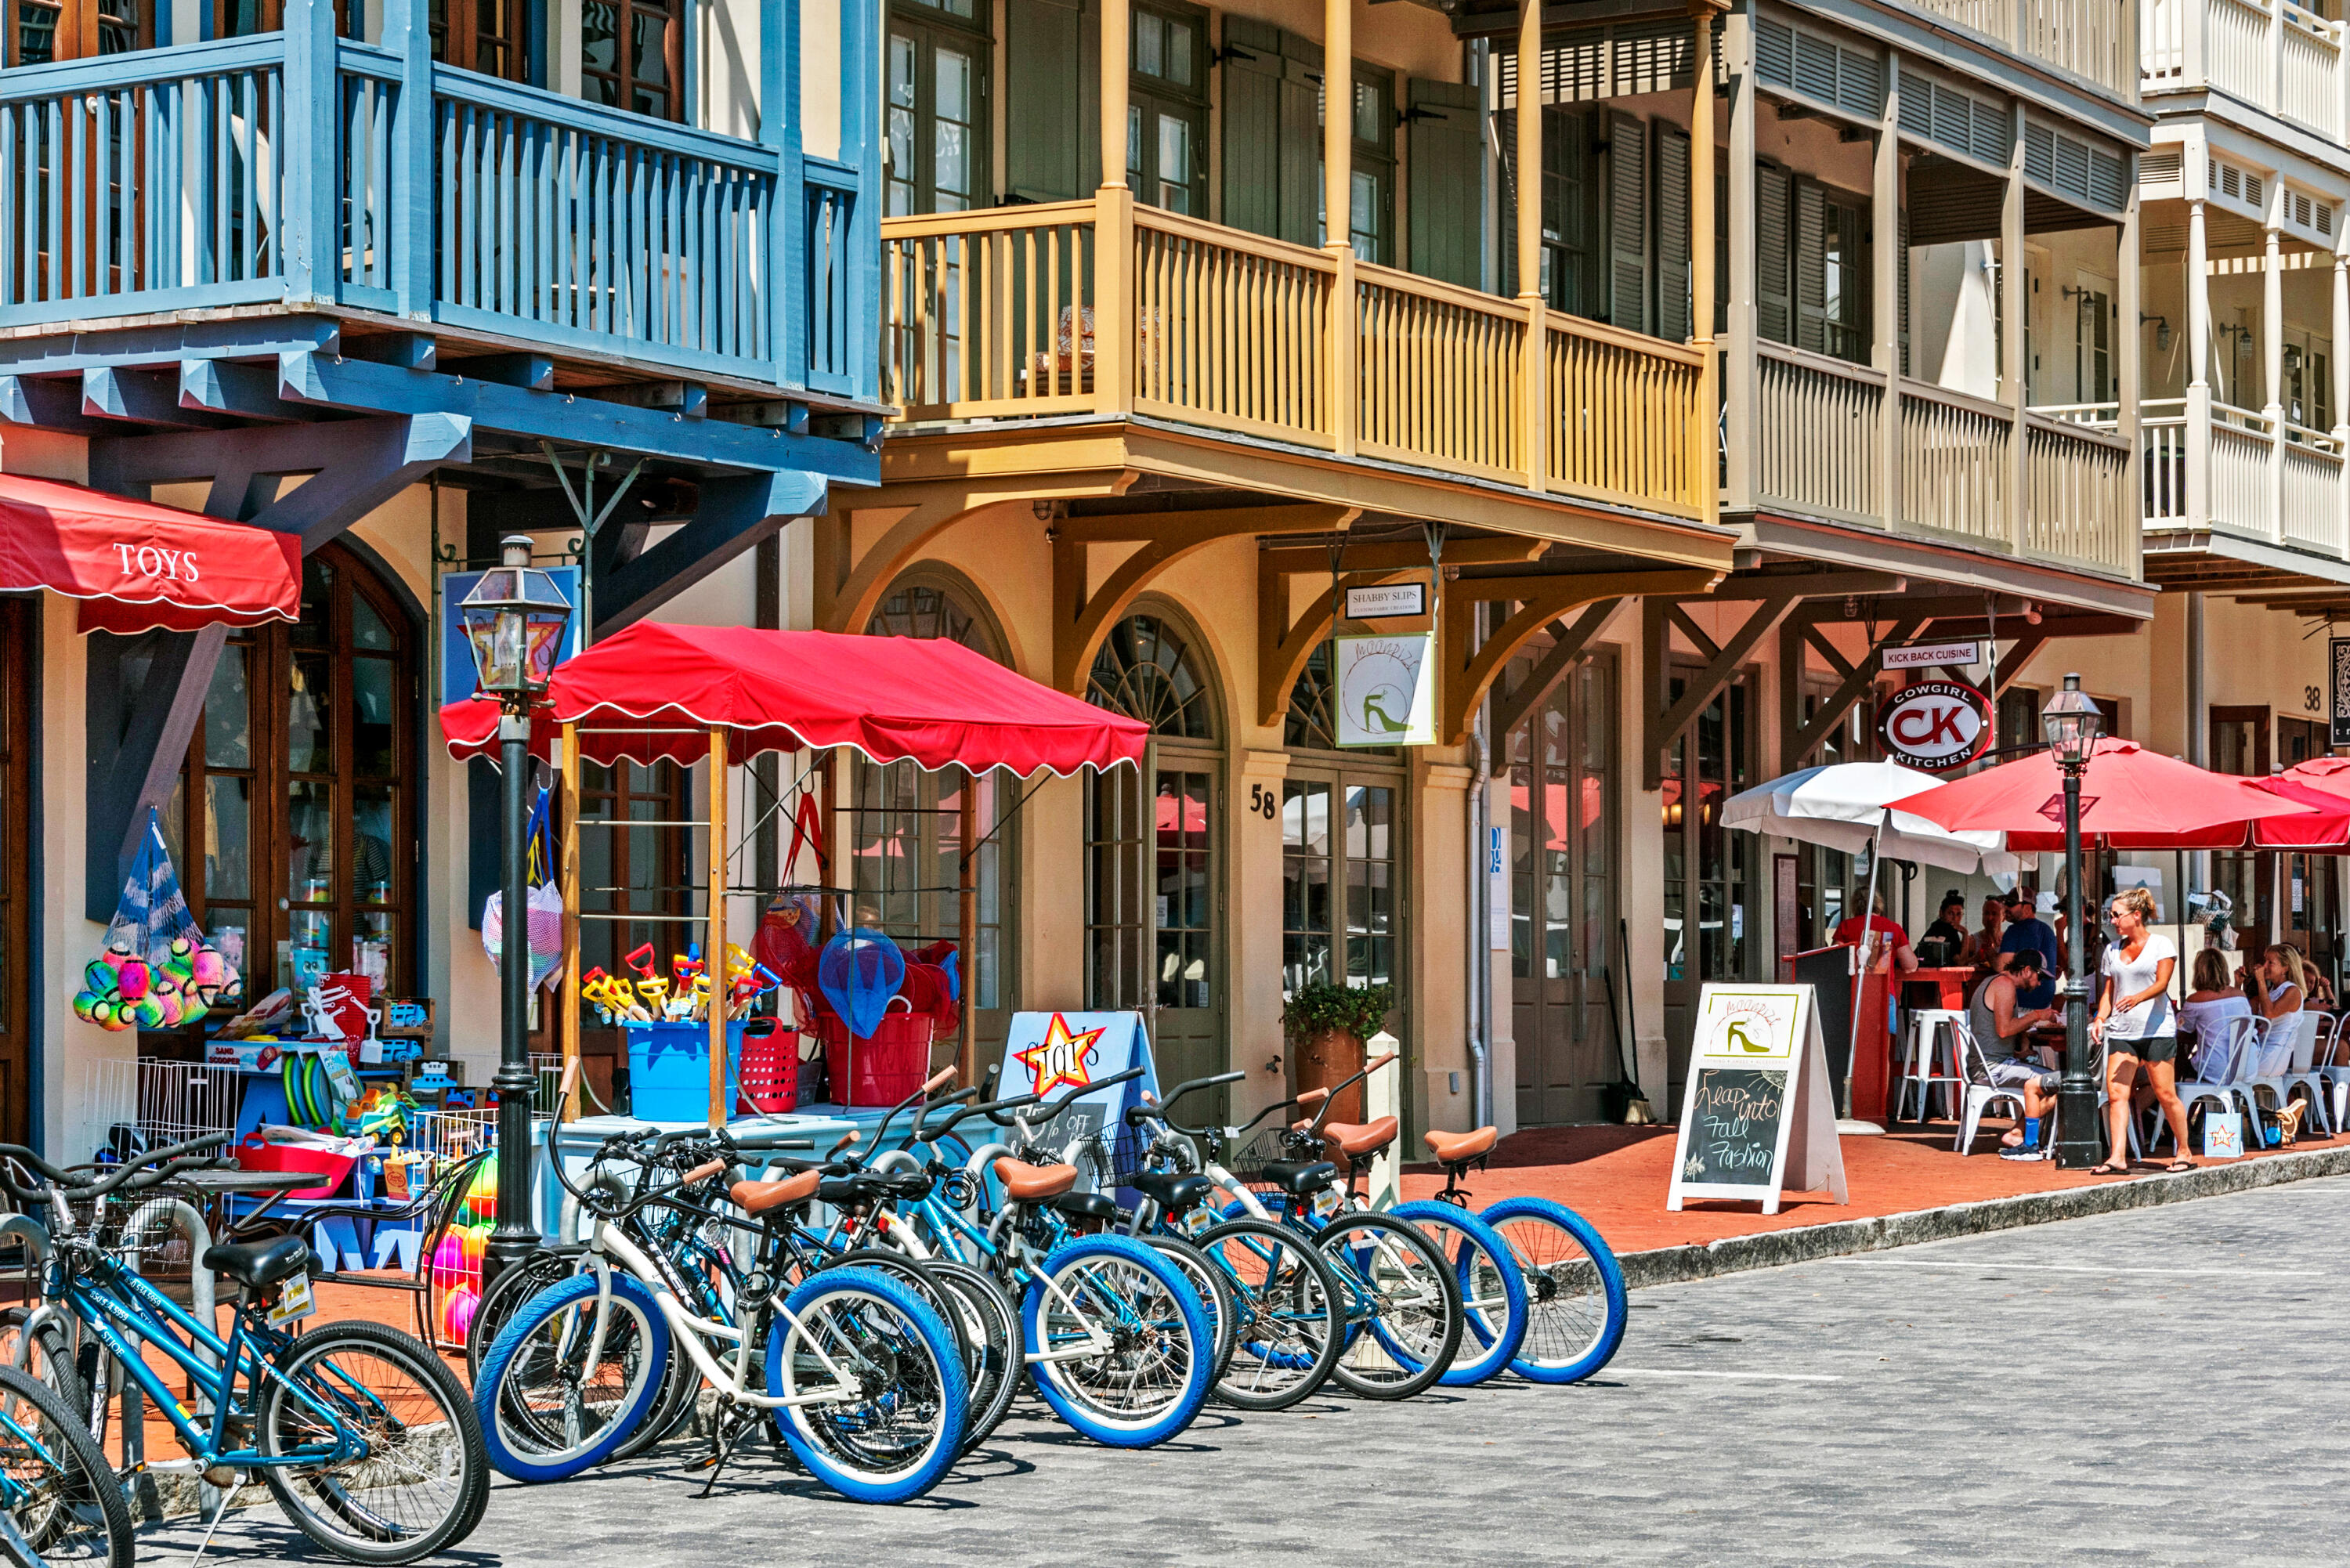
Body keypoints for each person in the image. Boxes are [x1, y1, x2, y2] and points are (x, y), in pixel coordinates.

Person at [2090, 886, 2188, 1175]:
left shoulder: (2161, 945)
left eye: (2117, 915)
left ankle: (2183, 1151)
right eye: (2110, 915)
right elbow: (2109, 991)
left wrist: (2137, 998)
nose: (2112, 920)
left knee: (2165, 1093)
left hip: (2156, 1029)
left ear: (2136, 915)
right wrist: (2100, 1017)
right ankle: (2117, 1156)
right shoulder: (2112, 950)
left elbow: (2162, 984)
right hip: (2123, 1031)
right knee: (2116, 1094)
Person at [1966, 948, 2063, 1155]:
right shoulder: (2004, 985)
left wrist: (2019, 1053)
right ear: (2027, 970)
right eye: (2039, 976)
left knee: (2052, 1080)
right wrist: (2037, 1015)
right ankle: (2019, 1135)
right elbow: (2004, 1030)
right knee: (2057, 1084)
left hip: (1989, 1063)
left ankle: (2024, 1134)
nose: (2039, 984)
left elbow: (1994, 1033)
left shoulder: (1995, 982)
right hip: (1992, 1068)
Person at [2177, 946, 2253, 1082]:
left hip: (2213, 1070)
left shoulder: (2196, 999)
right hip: (2244, 1067)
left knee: (2183, 1065)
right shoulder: (2240, 995)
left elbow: (2183, 1028)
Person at [1999, 890, 2061, 1010]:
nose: (2006, 908)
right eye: (2006, 904)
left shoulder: (2014, 930)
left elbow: (2001, 967)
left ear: (2027, 908)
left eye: (2011, 903)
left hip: (2021, 1003)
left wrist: (1991, 955)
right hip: (2045, 1004)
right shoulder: (2048, 930)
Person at [1834, 891, 1918, 975]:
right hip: (1884, 983)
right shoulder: (1894, 928)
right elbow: (1910, 966)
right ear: (1879, 904)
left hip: (1853, 983)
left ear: (1854, 906)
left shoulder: (1846, 926)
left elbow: (1835, 960)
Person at [1918, 891, 1969, 968]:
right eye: (1950, 913)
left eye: (1959, 914)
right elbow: (1961, 962)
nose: (1955, 918)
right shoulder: (1947, 929)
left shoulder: (1936, 926)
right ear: (1941, 913)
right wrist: (1965, 933)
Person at [1960, 893, 2008, 967]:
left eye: (1994, 914)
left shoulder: (2009, 940)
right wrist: (1975, 958)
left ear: (2004, 917)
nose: (1990, 918)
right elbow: (1959, 964)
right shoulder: (1972, 941)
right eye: (1986, 913)